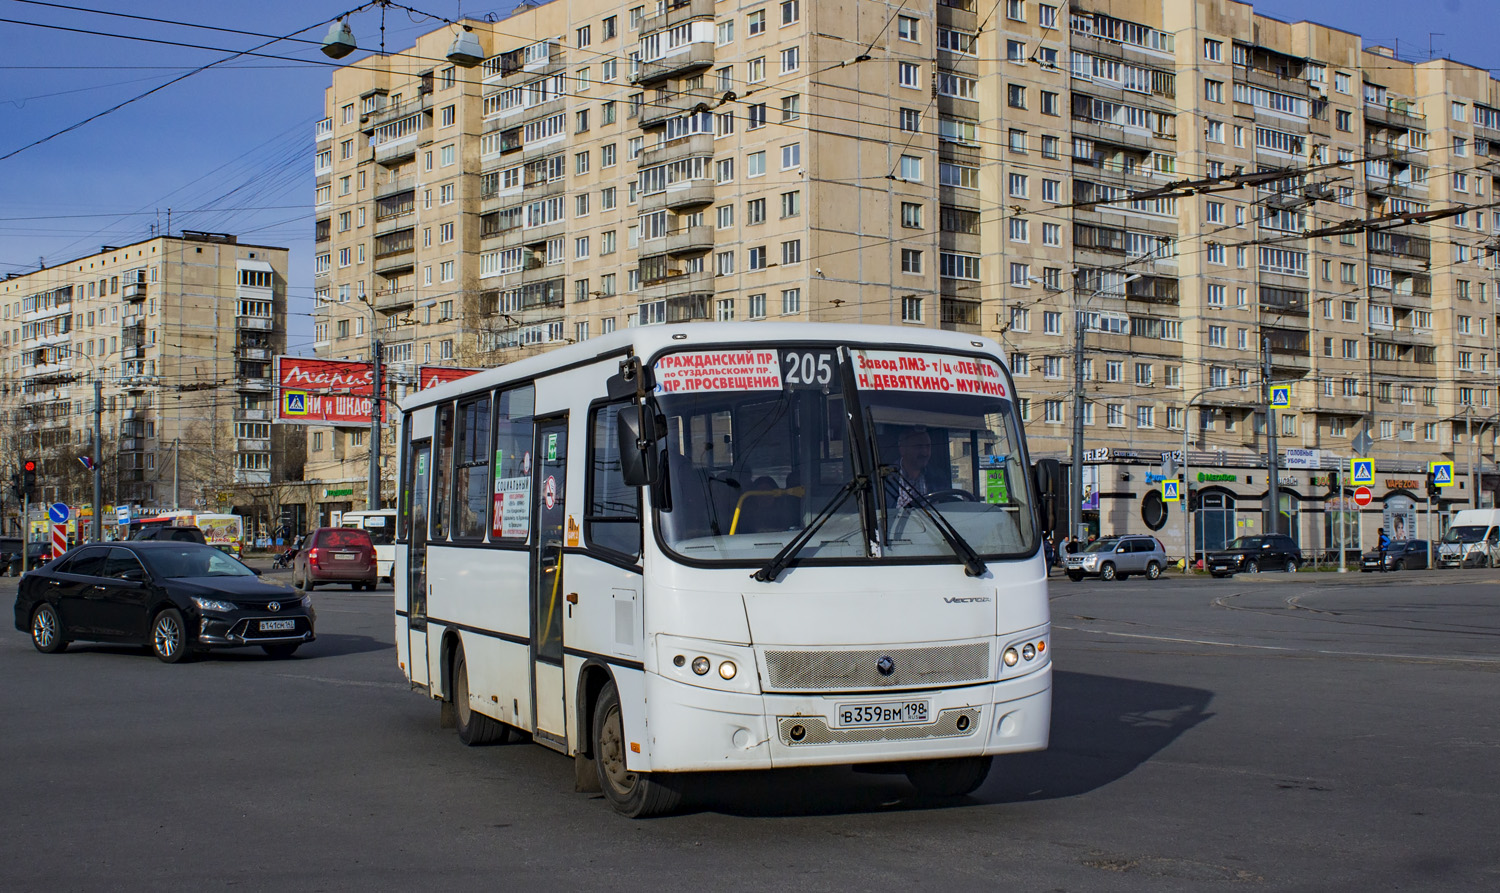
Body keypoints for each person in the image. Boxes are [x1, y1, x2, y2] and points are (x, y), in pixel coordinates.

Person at [889, 427, 935, 508]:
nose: (924, 452)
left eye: (928, 446)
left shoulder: (939, 479)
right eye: (919, 447)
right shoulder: (884, 479)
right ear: (902, 448)